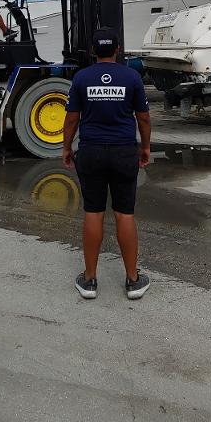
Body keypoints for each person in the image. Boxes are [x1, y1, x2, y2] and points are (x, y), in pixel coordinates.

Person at [62, 27, 151, 300]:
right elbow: (143, 118)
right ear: (117, 50)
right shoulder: (132, 77)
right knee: (125, 214)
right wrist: (145, 147)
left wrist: (66, 147)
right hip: (124, 152)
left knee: (94, 212)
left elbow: (72, 118)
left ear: (92, 51)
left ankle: (89, 280)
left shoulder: (81, 78)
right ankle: (133, 280)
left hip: (91, 152)